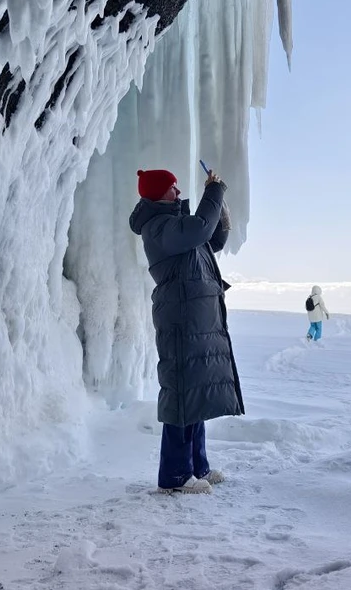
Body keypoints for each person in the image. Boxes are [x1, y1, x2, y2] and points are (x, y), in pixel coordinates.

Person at [128, 167, 245, 494]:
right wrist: (213, 191)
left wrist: (221, 208)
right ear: (156, 194)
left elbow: (212, 238)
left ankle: (197, 467)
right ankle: (175, 476)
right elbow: (199, 228)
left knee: (195, 393)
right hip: (180, 318)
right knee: (181, 394)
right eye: (172, 189)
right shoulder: (159, 227)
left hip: (196, 319)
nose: (178, 193)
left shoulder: (175, 227)